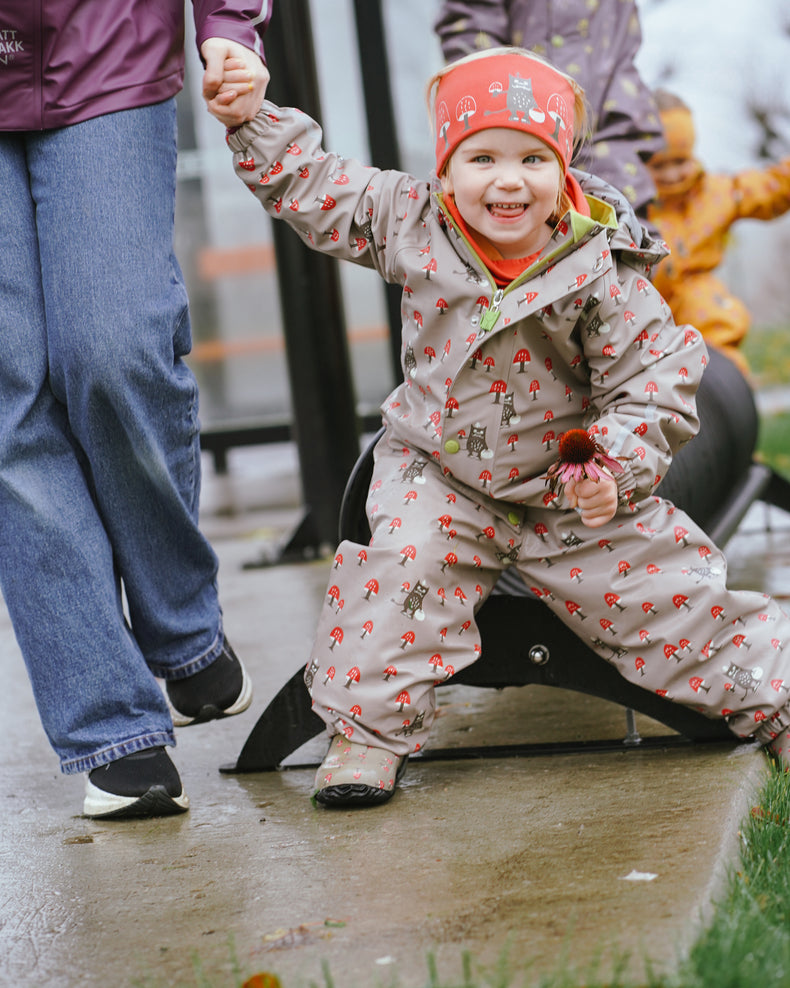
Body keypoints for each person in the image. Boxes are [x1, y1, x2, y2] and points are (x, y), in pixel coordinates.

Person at [224, 46, 790, 808]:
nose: (508, 180)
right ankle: (367, 734)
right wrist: (250, 119)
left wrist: (614, 466)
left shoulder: (596, 266)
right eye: (481, 156)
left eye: (532, 158)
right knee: (401, 571)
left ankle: (773, 696)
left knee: (668, 591)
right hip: (441, 474)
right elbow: (316, 187)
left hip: (570, 481)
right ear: (447, 168)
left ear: (564, 170)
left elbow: (653, 379)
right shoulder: (409, 221)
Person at [0, 1, 270, 820]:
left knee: (114, 348)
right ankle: (113, 729)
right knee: (9, 400)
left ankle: (181, 625)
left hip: (103, 42)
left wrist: (230, 26)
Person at [433, 0, 664, 226]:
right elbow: (472, 25)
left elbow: (622, 44)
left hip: (608, 126)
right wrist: (497, 104)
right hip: (512, 115)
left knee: (623, 229)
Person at [645, 89, 790, 376]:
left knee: (710, 308)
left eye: (681, 161)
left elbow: (767, 189)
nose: (672, 175)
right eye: (659, 165)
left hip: (696, 299)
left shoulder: (716, 193)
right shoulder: (632, 203)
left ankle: (724, 378)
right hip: (642, 302)